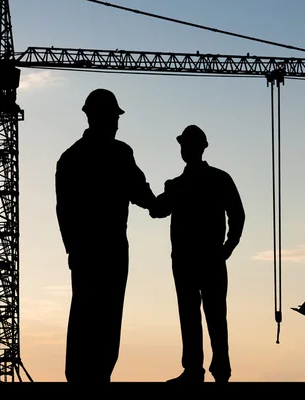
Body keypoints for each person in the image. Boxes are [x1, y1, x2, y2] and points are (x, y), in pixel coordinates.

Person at [55, 88, 156, 382]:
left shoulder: (70, 157)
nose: (116, 123)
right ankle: (96, 376)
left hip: (85, 251)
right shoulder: (118, 153)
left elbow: (64, 210)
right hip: (109, 248)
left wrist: (72, 249)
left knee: (85, 315)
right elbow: (140, 192)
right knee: (107, 318)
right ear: (99, 118)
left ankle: (81, 376)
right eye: (114, 117)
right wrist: (162, 203)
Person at [149, 125, 245, 383]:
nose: (185, 150)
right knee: (207, 315)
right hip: (201, 260)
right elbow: (237, 214)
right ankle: (209, 370)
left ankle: (203, 370)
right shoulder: (210, 180)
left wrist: (228, 247)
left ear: (198, 148)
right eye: (183, 145)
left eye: (187, 145)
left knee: (200, 315)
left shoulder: (187, 184)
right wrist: (227, 247)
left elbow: (157, 210)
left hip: (193, 260)